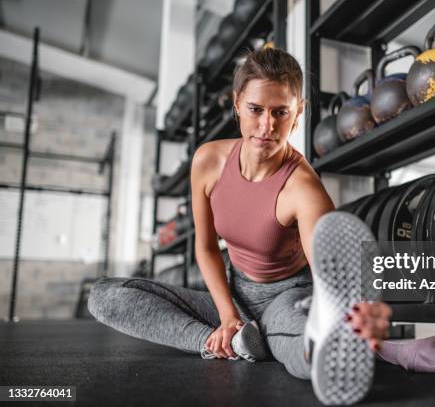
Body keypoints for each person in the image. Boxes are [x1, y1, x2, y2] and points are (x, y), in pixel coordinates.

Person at [87, 47, 392, 406]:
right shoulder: (208, 161)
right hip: (232, 295)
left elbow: (330, 277)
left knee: (305, 341)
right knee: (104, 296)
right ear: (237, 103)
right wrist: (228, 315)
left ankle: (312, 347)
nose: (267, 126)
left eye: (281, 112)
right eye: (256, 110)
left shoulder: (304, 190)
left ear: (299, 113)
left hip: (287, 299)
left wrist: (361, 312)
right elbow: (204, 247)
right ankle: (226, 341)